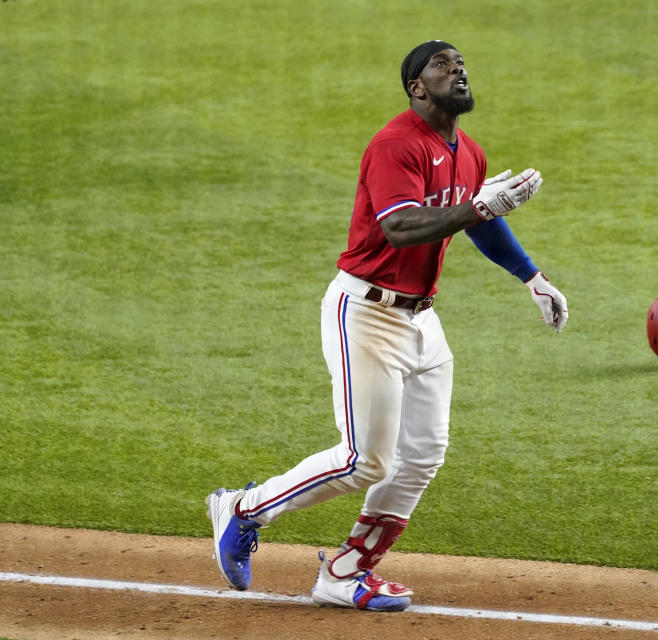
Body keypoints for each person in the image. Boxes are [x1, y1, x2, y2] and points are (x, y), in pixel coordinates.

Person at [205, 39, 568, 612]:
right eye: (443, 65)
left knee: (423, 453)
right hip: (367, 314)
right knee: (364, 460)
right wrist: (480, 207)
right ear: (417, 87)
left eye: (462, 63)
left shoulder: (466, 151)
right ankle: (243, 509)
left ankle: (348, 570)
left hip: (423, 321)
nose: (459, 69)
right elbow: (401, 228)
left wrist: (532, 276)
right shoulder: (393, 145)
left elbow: (477, 222)